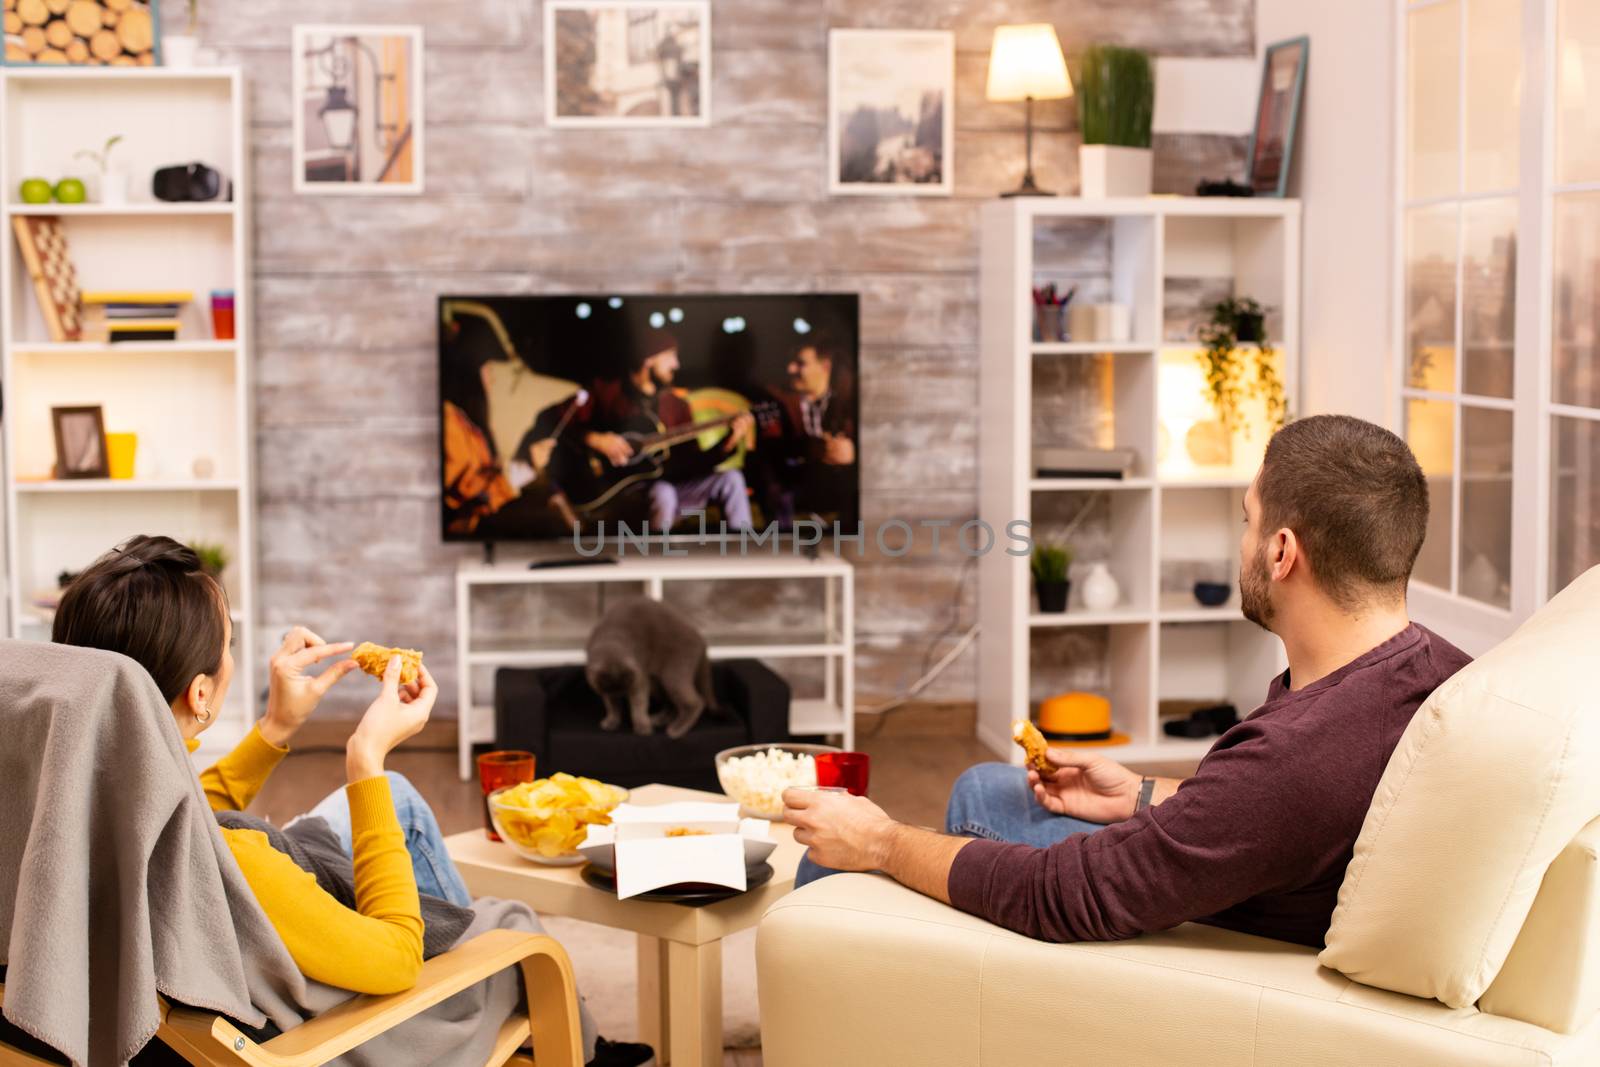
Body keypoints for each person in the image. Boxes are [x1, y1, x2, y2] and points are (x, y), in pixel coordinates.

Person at [783, 414, 1474, 948]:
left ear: (1283, 551)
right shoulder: (1434, 669)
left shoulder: (1298, 754)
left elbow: (1062, 895)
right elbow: (1256, 815)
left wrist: (880, 840)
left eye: (1247, 520)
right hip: (1251, 870)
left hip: (1188, 937)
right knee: (987, 785)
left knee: (840, 858)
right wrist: (1141, 794)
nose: (1240, 542)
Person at [51, 536, 652, 1067]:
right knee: (510, 924)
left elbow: (190, 816)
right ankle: (556, 1033)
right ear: (201, 692)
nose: (233, 651)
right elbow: (393, 963)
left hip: (196, 981)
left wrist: (277, 727)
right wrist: (367, 756)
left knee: (401, 805)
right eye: (228, 639)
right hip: (326, 1037)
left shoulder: (78, 804)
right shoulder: (242, 866)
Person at [563, 328, 753, 531]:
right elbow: (562, 425)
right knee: (663, 493)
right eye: (671, 356)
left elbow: (693, 462)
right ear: (648, 359)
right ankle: (655, 560)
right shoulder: (608, 391)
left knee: (731, 479)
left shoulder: (675, 404)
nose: (676, 364)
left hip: (672, 493)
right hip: (622, 496)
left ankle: (745, 554)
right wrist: (595, 439)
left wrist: (730, 441)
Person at [751, 334, 857, 527]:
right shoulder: (776, 400)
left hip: (837, 481)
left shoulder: (848, 400)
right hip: (793, 481)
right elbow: (769, 448)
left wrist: (853, 452)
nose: (790, 369)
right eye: (791, 363)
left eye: (800, 364)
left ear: (825, 366)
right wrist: (811, 448)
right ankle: (780, 547)